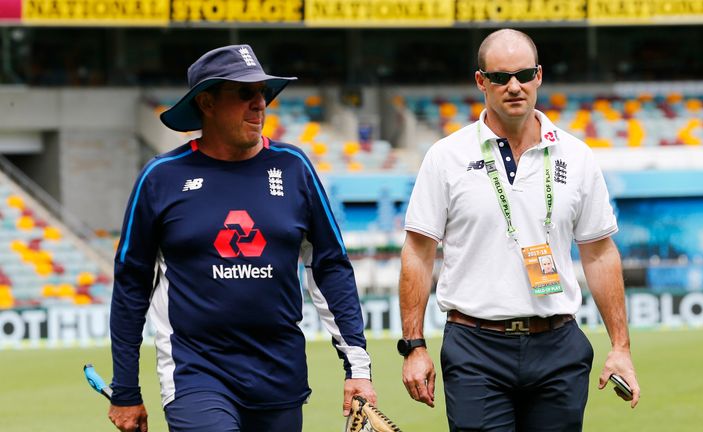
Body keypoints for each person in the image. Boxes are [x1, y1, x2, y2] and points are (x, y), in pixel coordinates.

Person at [108, 44, 375, 432]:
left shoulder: (294, 167)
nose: (259, 104)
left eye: (263, 94)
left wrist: (358, 368)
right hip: (194, 373)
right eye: (244, 93)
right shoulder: (160, 177)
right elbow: (131, 286)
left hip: (279, 376)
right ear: (206, 103)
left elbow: (330, 267)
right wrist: (125, 389)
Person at [398, 29, 640, 431]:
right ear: (481, 82)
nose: (514, 86)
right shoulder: (446, 156)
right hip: (475, 347)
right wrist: (414, 345)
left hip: (558, 343)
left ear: (539, 76)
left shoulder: (577, 156)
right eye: (500, 77)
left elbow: (600, 252)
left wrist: (621, 347)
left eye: (524, 74)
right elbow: (418, 252)